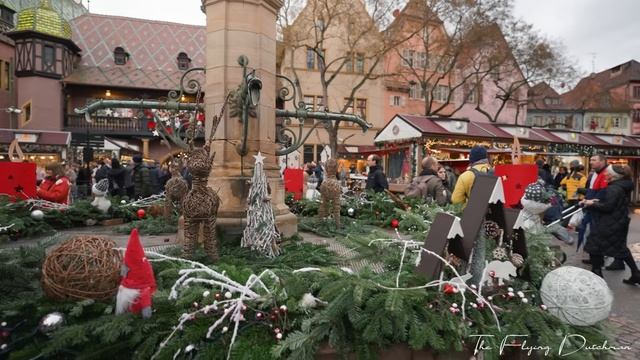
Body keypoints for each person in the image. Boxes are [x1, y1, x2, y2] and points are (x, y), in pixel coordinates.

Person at [581, 165, 639, 284]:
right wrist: (598, 201)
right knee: (620, 248)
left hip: (609, 222)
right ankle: (636, 273)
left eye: (607, 173)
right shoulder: (621, 186)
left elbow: (608, 207)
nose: (605, 174)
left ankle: (597, 276)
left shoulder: (613, 188)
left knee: (594, 245)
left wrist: (591, 203)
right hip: (619, 220)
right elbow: (614, 203)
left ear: (613, 176)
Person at [578, 154, 608, 265]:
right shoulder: (596, 173)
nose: (591, 162)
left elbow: (602, 193)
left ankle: (598, 263)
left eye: (594, 160)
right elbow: (592, 190)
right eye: (590, 160)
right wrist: (585, 199)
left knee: (594, 235)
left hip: (598, 209)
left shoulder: (604, 174)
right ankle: (594, 259)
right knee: (591, 234)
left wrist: (590, 201)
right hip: (593, 207)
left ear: (602, 161)